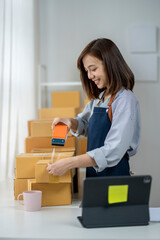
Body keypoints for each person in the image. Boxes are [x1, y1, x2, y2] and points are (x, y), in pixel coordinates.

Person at [46, 38, 141, 178]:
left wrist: (69, 163)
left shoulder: (125, 100)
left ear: (110, 64)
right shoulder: (99, 99)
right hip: (95, 177)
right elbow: (86, 125)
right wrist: (70, 122)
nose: (90, 76)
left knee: (114, 201)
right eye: (87, 71)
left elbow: (113, 150)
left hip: (115, 179)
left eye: (93, 69)